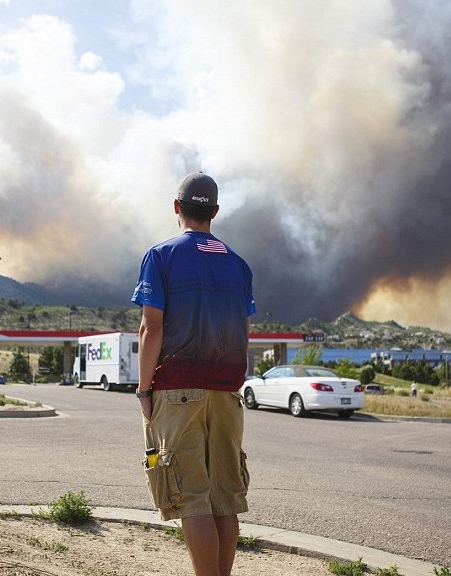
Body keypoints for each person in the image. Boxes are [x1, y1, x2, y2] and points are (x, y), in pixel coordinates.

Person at [131, 172, 256, 576]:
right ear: (215, 212)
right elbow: (243, 331)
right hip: (227, 392)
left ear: (176, 208)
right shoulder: (238, 265)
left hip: (177, 389)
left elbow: (152, 328)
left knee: (191, 498)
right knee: (225, 498)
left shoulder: (162, 256)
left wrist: (143, 390)